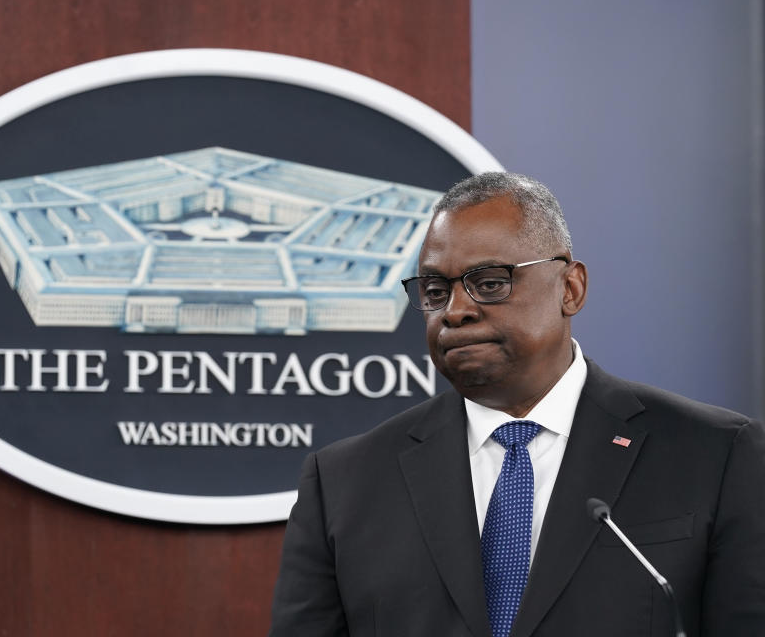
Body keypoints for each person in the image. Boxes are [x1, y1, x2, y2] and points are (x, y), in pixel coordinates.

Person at [268, 172, 765, 636]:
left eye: (489, 283)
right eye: (436, 290)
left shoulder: (717, 454)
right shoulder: (343, 484)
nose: (456, 311)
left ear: (570, 289)